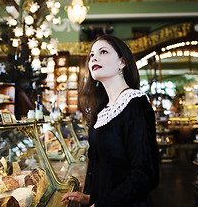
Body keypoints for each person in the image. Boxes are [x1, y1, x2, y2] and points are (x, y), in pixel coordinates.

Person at [61, 35, 159, 207]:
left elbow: (145, 174)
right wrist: (91, 198)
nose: (94, 58)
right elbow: (111, 169)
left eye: (103, 52)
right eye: (91, 55)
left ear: (122, 62)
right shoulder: (104, 108)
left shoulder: (135, 104)